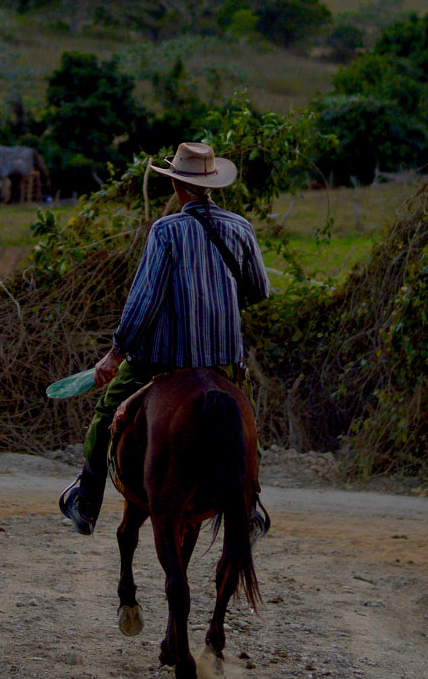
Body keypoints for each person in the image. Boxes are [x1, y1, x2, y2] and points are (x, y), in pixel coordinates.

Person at [59, 140, 271, 537]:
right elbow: (260, 291)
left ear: (177, 187)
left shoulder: (165, 231)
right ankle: (252, 503)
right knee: (244, 424)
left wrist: (115, 354)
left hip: (162, 360)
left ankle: (87, 499)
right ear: (211, 186)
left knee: (106, 413)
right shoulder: (241, 228)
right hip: (223, 362)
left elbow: (144, 301)